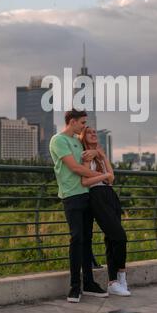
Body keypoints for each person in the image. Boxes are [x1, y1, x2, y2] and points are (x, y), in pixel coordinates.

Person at [49, 109, 110, 303]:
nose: (84, 126)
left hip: (88, 194)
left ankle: (89, 283)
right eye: (82, 123)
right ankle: (75, 287)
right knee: (76, 238)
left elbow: (92, 156)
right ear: (72, 122)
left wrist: (96, 153)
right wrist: (104, 177)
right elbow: (75, 168)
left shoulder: (77, 141)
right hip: (72, 195)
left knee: (87, 240)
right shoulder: (59, 140)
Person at [79, 127, 131, 296]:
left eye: (95, 132)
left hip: (110, 194)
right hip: (97, 195)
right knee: (120, 237)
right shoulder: (86, 155)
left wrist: (102, 156)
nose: (93, 134)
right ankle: (121, 277)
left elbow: (112, 177)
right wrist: (103, 176)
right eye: (89, 132)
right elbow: (85, 181)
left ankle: (113, 282)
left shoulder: (100, 154)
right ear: (83, 137)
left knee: (112, 239)